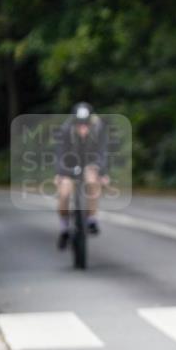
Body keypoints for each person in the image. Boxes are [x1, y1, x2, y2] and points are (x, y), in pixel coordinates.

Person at [55, 102, 110, 249]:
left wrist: (102, 173)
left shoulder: (98, 129)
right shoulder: (65, 130)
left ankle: (92, 219)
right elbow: (60, 154)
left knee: (92, 180)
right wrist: (61, 174)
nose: (83, 128)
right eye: (79, 125)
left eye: (85, 124)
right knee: (64, 193)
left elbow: (102, 153)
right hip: (69, 164)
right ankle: (64, 227)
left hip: (89, 163)